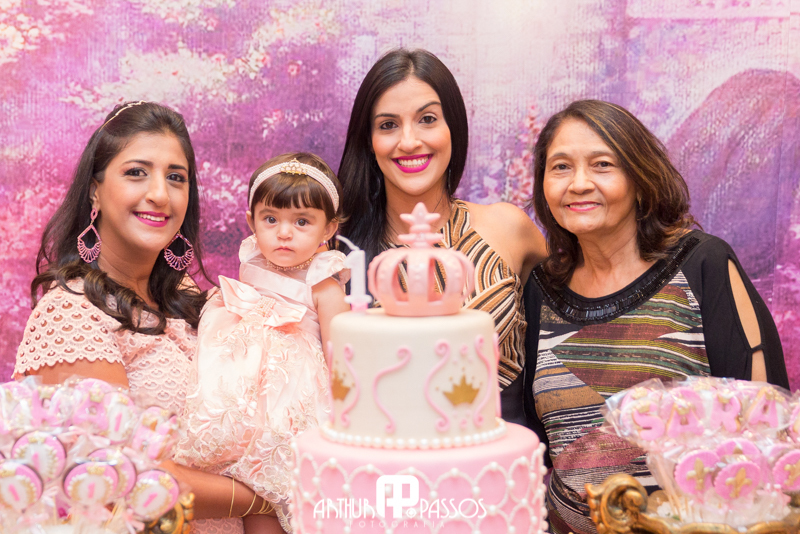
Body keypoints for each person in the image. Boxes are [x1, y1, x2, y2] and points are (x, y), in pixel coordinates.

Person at [521, 99, 790, 534]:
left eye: (602, 164)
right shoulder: (541, 289)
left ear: (639, 178)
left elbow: (768, 426)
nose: (579, 183)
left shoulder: (702, 264)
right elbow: (540, 438)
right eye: (561, 167)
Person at [14, 101, 276, 533]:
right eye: (137, 172)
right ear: (95, 190)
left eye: (176, 177)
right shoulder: (70, 314)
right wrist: (265, 497)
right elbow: (122, 477)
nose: (160, 193)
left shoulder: (186, 298)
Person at [338, 49, 547, 420]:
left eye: (427, 119)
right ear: (368, 140)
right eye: (388, 125)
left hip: (504, 450)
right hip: (387, 452)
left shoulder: (509, 228)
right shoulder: (341, 256)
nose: (409, 141)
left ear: (454, 128)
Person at [174, 152, 349, 533]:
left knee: (274, 491)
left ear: (328, 228)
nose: (284, 233)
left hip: (289, 400)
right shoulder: (252, 258)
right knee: (235, 482)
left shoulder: (323, 284)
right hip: (239, 391)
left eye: (302, 222)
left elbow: (341, 356)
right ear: (252, 221)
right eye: (271, 219)